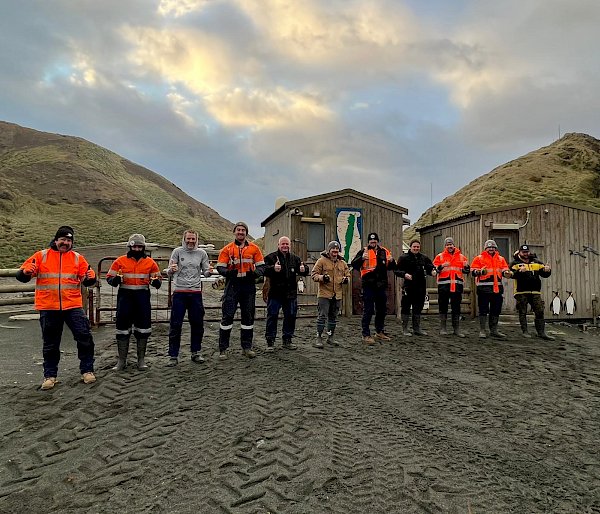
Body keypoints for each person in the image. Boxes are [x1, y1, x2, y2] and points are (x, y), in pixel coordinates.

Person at [16, 226, 97, 390]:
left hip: (73, 306)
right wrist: (25, 272)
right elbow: (22, 276)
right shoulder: (41, 256)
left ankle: (87, 371)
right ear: (55, 240)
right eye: (63, 240)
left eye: (68, 240)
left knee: (84, 337)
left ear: (71, 243)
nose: (65, 243)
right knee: (51, 343)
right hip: (49, 306)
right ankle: (50, 376)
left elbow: (86, 279)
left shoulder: (77, 258)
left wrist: (91, 278)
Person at [106, 234, 162, 370]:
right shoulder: (119, 261)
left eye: (139, 246)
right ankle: (121, 361)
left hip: (142, 298)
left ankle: (141, 360)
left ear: (143, 247)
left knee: (143, 328)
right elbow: (109, 278)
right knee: (122, 329)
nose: (137, 249)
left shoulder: (151, 263)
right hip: (125, 298)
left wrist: (156, 282)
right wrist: (115, 280)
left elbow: (159, 282)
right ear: (129, 246)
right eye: (134, 246)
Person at [216, 222, 265, 359]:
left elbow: (262, 267)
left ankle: (247, 347)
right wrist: (228, 273)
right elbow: (220, 267)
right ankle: (223, 349)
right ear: (234, 232)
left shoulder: (255, 249)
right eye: (238, 230)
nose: (241, 232)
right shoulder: (227, 249)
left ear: (246, 233)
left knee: (248, 317)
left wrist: (254, 274)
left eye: (243, 230)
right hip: (232, 286)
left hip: (248, 286)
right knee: (227, 317)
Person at [166, 229, 212, 365]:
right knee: (175, 324)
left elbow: (206, 272)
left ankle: (196, 352)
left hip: (196, 293)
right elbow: (169, 271)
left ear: (197, 240)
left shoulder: (202, 253)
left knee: (197, 324)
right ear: (184, 239)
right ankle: (173, 356)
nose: (191, 241)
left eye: (193, 239)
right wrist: (171, 270)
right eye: (189, 239)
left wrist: (209, 271)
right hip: (180, 292)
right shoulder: (177, 252)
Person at [263, 236, 310, 351]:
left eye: (287, 244)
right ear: (278, 245)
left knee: (290, 316)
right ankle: (270, 341)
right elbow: (262, 269)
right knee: (272, 316)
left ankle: (287, 340)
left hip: (290, 294)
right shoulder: (270, 257)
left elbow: (304, 268)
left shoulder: (295, 259)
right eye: (283, 244)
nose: (285, 246)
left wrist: (304, 270)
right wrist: (273, 268)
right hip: (275, 293)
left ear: (290, 245)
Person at [351, 232, 396, 344]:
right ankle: (365, 334)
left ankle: (379, 331)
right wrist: (361, 258)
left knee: (381, 310)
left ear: (377, 241)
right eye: (371, 241)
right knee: (368, 310)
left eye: (374, 240)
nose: (373, 242)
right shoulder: (363, 251)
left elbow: (392, 267)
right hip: (369, 285)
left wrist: (392, 261)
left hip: (381, 285)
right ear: (368, 242)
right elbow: (354, 265)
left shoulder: (384, 251)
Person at [509, 244, 554, 340]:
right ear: (519, 252)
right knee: (522, 311)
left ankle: (541, 332)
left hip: (535, 291)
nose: (525, 254)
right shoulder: (515, 263)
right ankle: (525, 331)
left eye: (527, 252)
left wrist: (547, 270)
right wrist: (520, 272)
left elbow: (544, 275)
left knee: (540, 311)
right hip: (521, 292)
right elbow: (510, 275)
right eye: (523, 252)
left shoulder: (537, 262)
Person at [311, 241, 351, 348]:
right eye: (333, 250)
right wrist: (322, 278)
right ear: (329, 251)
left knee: (333, 317)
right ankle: (318, 338)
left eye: (337, 250)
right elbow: (313, 274)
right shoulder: (321, 261)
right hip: (324, 294)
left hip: (337, 294)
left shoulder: (343, 263)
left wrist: (346, 280)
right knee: (322, 317)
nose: (335, 252)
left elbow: (348, 275)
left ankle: (330, 337)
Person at [470, 240, 512, 339]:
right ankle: (482, 330)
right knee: (483, 310)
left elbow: (504, 270)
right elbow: (472, 271)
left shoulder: (501, 259)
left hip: (497, 289)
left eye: (493, 247)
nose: (491, 249)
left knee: (496, 310)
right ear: (485, 248)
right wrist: (479, 272)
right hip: (483, 289)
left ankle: (494, 330)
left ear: (495, 248)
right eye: (489, 247)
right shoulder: (479, 258)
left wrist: (506, 272)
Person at [395, 239, 435, 337]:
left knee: (418, 308)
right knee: (406, 307)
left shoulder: (424, 258)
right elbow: (396, 271)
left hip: (420, 287)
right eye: (414, 247)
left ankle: (416, 328)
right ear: (410, 247)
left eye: (417, 247)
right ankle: (405, 328)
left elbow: (430, 268)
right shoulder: (403, 258)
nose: (416, 248)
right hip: (408, 287)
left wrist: (433, 272)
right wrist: (404, 274)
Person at [432, 237, 470, 337]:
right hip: (444, 286)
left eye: (451, 244)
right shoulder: (439, 257)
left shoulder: (461, 257)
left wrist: (466, 267)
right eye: (447, 245)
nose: (449, 246)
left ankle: (456, 329)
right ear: (445, 246)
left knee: (456, 307)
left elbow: (466, 271)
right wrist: (442, 266)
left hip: (457, 286)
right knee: (443, 306)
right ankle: (443, 328)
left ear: (454, 245)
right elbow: (433, 270)